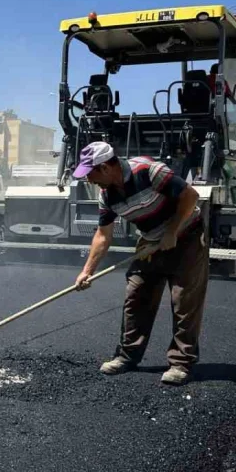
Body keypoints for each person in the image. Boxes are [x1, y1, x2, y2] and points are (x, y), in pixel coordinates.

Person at [73, 142, 209, 386]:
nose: (89, 181)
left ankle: (180, 363)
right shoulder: (107, 196)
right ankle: (127, 356)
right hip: (150, 243)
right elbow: (103, 235)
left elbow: (191, 196)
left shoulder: (147, 171)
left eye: (90, 174)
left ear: (104, 167)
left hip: (187, 236)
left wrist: (172, 231)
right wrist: (87, 271)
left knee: (183, 300)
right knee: (136, 295)